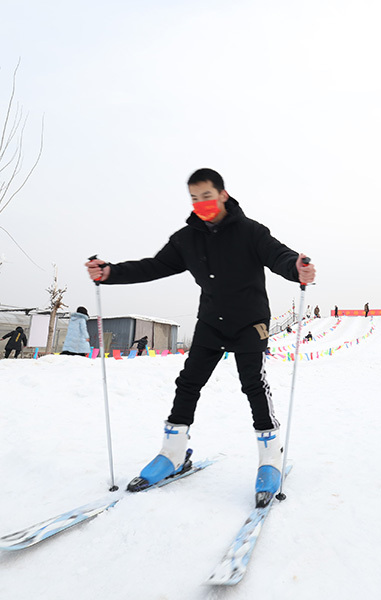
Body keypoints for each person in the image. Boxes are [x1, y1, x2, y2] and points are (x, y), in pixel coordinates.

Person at [85, 168, 315, 506]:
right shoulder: (186, 239)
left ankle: (270, 457)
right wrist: (111, 273)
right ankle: (172, 453)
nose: (201, 203)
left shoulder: (251, 232)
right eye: (194, 198)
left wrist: (297, 269)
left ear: (222, 194)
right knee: (188, 382)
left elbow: (278, 255)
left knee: (252, 383)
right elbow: (153, 266)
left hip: (250, 322)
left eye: (206, 196)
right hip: (210, 321)